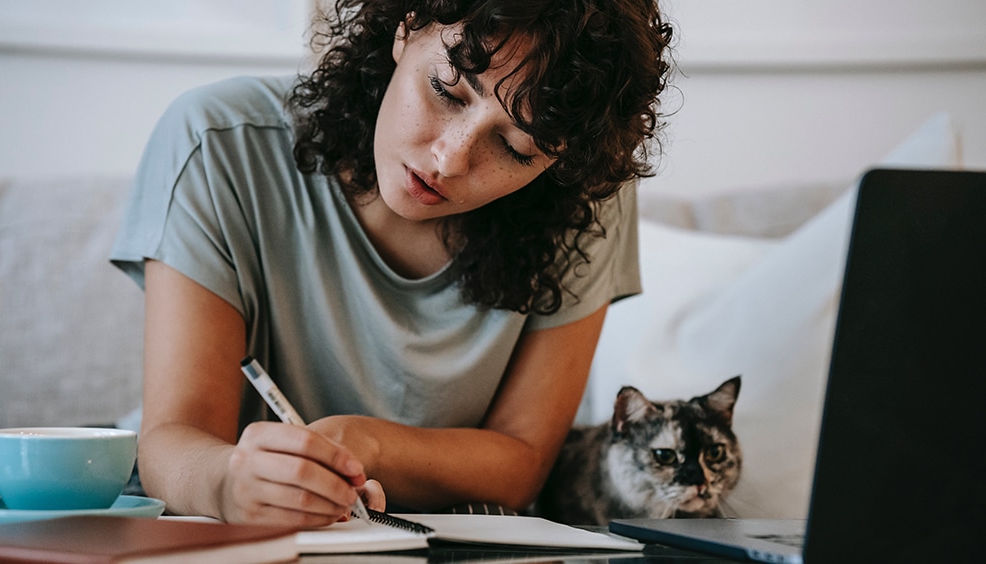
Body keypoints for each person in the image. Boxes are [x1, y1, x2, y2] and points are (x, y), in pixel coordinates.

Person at [110, 0, 673, 527]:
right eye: (446, 90)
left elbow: (523, 461)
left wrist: (366, 442)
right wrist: (229, 485)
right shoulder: (218, 142)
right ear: (406, 27)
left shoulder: (584, 201)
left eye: (516, 148)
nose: (449, 158)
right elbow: (172, 439)